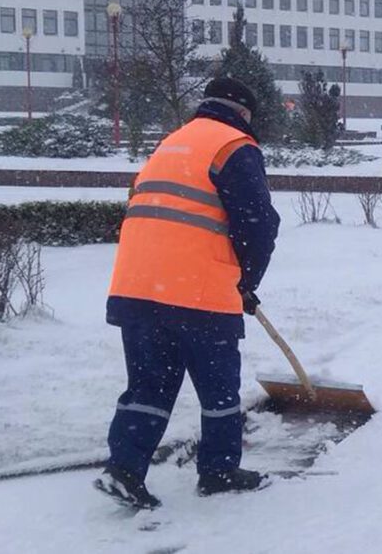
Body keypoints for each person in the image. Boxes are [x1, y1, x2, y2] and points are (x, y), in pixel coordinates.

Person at [94, 77, 280, 510]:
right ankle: (218, 471)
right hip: (197, 295)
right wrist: (246, 281)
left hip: (138, 289)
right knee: (219, 390)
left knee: (148, 386)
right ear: (244, 113)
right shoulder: (234, 146)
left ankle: (124, 468)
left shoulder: (171, 144)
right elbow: (258, 224)